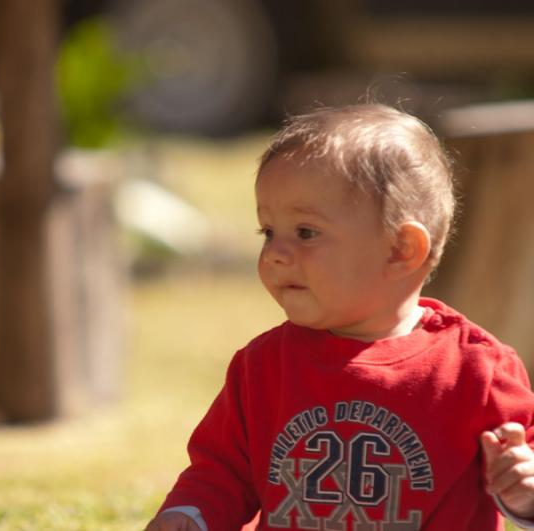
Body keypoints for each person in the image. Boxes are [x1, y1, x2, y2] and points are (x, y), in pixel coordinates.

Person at [145, 103, 534, 530]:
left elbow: (523, 467)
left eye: (306, 232)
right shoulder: (263, 367)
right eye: (268, 232)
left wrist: (522, 491)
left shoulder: (476, 371)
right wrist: (190, 515)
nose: (274, 253)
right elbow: (221, 473)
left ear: (400, 249)